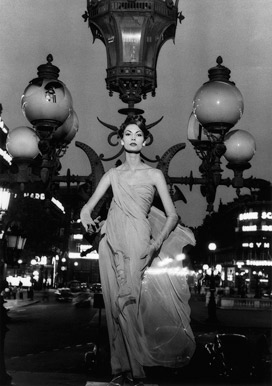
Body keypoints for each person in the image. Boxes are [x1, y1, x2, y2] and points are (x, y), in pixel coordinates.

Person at [80, 115, 196, 386]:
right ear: (121, 140)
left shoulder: (154, 174)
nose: (133, 138)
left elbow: (172, 216)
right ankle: (121, 370)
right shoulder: (112, 174)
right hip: (110, 237)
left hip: (138, 237)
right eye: (128, 134)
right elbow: (88, 207)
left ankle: (136, 371)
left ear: (145, 141)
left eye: (138, 135)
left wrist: (157, 243)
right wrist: (86, 218)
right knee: (113, 303)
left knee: (128, 299)